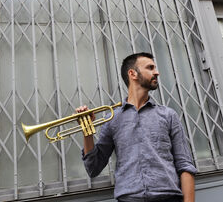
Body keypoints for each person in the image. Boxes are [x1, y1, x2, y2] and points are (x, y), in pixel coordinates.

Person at [77, 52, 197, 202]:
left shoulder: (168, 115)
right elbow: (93, 168)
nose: (157, 72)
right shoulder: (112, 118)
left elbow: (185, 164)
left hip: (167, 197)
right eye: (150, 68)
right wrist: (86, 131)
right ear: (132, 74)